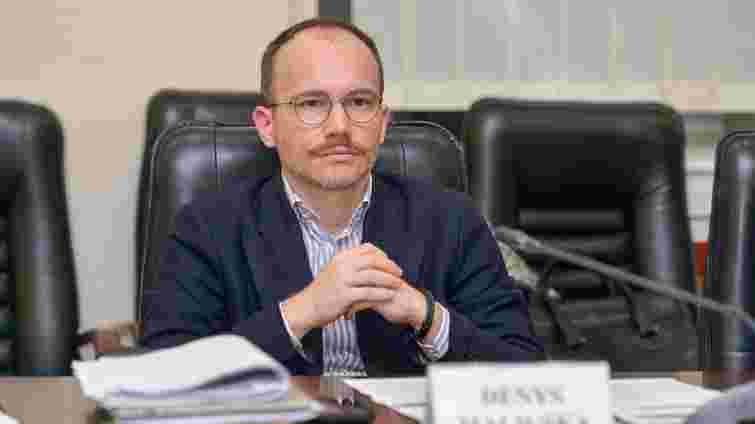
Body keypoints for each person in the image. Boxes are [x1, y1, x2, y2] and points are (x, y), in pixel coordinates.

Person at [141, 18, 544, 376]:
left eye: (359, 102)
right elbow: (166, 373)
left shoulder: (452, 220)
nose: (339, 126)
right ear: (267, 126)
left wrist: (425, 316)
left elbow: (525, 370)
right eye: (312, 103)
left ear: (382, 123)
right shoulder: (207, 228)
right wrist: (302, 311)